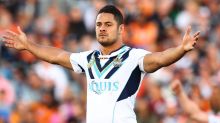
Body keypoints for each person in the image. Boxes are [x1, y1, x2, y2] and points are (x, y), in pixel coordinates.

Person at [1, 5, 200, 123]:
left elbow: (159, 58)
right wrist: (29, 45)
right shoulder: (89, 59)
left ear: (121, 29)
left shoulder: (133, 57)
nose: (102, 29)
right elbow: (57, 56)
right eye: (98, 25)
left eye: (108, 24)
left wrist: (180, 50)